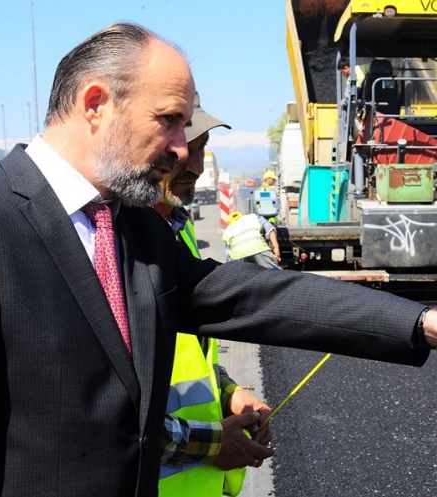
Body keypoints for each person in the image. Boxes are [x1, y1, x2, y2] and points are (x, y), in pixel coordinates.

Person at [0, 22, 437, 496]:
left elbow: (258, 297)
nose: (182, 148)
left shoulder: (130, 232)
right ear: (95, 104)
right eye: (169, 121)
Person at [151, 93, 272, 496]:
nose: (197, 166)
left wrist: (227, 391)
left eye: (202, 148)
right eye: (186, 149)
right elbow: (103, 415)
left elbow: (185, 354)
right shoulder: (111, 245)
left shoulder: (179, 230)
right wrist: (213, 443)